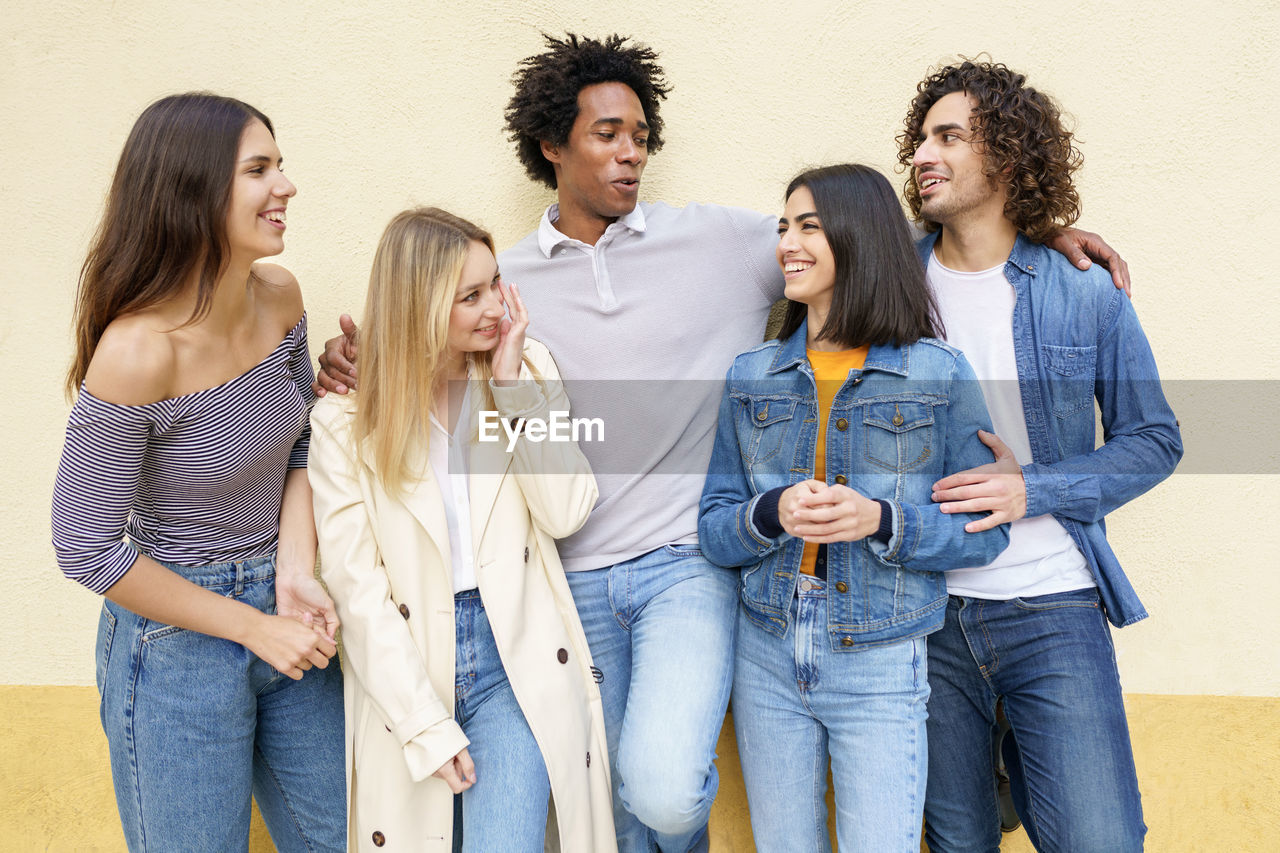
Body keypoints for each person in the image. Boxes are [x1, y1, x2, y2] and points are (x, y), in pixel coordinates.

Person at [314, 34, 1132, 852]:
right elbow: (429, 326)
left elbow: (861, 246)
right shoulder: (506, 284)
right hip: (572, 582)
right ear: (551, 146)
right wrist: (361, 359)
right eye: (607, 135)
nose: (631, 152)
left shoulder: (722, 241)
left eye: (641, 134)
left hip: (688, 569)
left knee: (665, 785)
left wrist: (1038, 238)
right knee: (630, 815)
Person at [895, 60, 1183, 852]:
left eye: (949, 136)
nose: (924, 152)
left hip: (1052, 604)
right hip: (923, 614)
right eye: (921, 137)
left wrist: (1033, 488)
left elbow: (1155, 440)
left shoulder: (1081, 288)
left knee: (1101, 838)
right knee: (958, 840)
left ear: (1010, 159)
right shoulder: (888, 286)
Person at [50, 93, 345, 852]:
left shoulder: (280, 298)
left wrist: (294, 568)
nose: (286, 186)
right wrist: (251, 626)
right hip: (174, 646)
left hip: (286, 611)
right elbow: (86, 547)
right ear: (193, 189)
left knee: (348, 835)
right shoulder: (139, 351)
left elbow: (302, 442)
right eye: (260, 169)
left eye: (280, 165)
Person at [697, 163, 1010, 852]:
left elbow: (986, 533)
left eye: (808, 226)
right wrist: (771, 511)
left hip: (881, 654)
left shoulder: (937, 371)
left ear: (858, 238)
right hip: (768, 648)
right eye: (784, 227)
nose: (788, 243)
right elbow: (715, 528)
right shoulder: (752, 375)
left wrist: (882, 520)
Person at [307, 207, 615, 852]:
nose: (495, 309)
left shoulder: (527, 369)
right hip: (407, 661)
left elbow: (567, 510)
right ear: (418, 305)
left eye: (494, 285)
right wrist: (424, 724)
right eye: (469, 297)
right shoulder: (344, 418)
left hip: (515, 658)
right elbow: (355, 588)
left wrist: (511, 389)